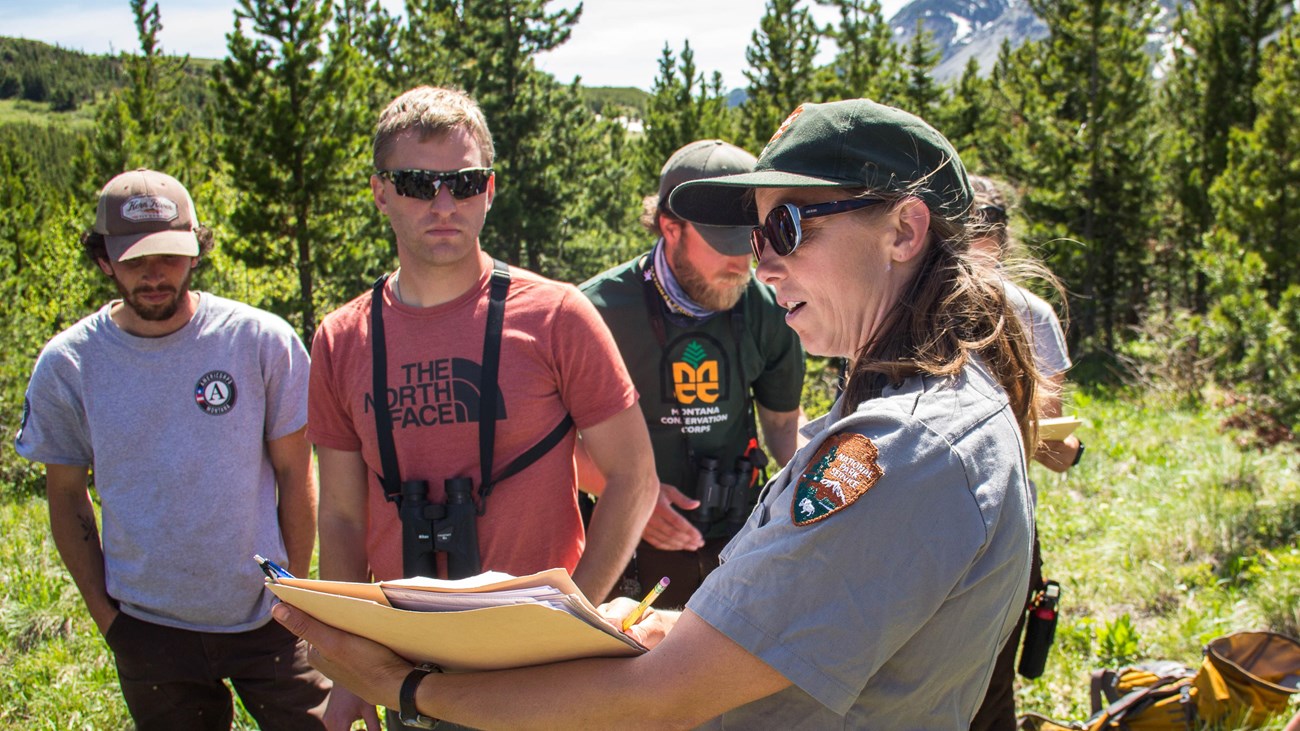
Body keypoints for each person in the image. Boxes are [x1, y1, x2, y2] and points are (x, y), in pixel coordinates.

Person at [274, 98, 1044, 728]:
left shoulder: (899, 447)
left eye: (787, 227)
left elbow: (659, 698)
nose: (761, 262)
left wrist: (404, 686)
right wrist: (672, 626)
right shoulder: (932, 403)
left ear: (904, 231)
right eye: (752, 233)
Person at [306, 86, 658, 729]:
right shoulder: (341, 338)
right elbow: (341, 514)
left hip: (541, 670)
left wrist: (575, 617)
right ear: (380, 192)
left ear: (490, 190)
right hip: (405, 666)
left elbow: (635, 478)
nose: (444, 204)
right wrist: (348, 663)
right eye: (416, 183)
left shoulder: (556, 316)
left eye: (464, 183)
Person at [14, 169, 329, 730]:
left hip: (268, 617)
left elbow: (294, 469)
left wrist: (294, 596)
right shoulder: (69, 365)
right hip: (149, 627)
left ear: (196, 252)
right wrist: (110, 621)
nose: (153, 274)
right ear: (104, 260)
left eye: (169, 255)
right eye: (133, 259)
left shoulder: (259, 341)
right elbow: (65, 496)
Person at [578, 139, 806, 607]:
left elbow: (783, 425)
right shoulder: (594, 312)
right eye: (723, 244)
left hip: (736, 537)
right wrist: (627, 494)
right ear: (671, 228)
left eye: (752, 241)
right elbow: (551, 443)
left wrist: (818, 494)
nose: (742, 264)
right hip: (626, 545)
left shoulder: (771, 308)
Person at [967, 174, 1083, 731]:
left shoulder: (1031, 313)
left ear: (1003, 247)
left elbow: (1061, 451)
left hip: (1002, 526)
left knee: (989, 690)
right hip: (917, 523)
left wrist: (1006, 414)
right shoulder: (897, 310)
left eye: (983, 261)